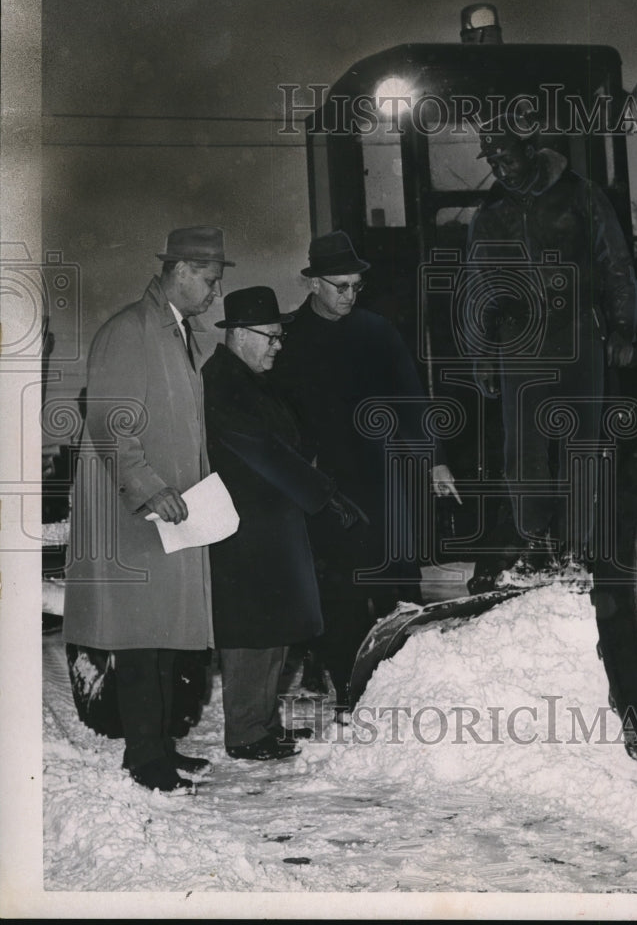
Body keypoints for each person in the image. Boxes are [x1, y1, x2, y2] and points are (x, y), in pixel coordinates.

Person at [64, 225, 232, 793]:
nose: (214, 293)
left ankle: (160, 747)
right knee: (140, 639)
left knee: (163, 638)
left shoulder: (178, 333)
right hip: (137, 513)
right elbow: (111, 422)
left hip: (172, 511)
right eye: (208, 280)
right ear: (180, 270)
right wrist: (147, 486)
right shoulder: (130, 330)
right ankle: (144, 759)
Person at [272, 231, 460, 710]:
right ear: (311, 282)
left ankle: (406, 690)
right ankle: (349, 693)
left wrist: (436, 461)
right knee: (340, 591)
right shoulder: (289, 338)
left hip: (384, 478)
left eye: (356, 286)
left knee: (399, 584)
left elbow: (413, 398)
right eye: (339, 286)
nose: (349, 296)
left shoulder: (377, 331)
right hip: (324, 485)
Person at [464, 108, 637, 590]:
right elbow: (478, 288)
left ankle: (581, 552)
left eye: (504, 152)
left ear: (527, 147)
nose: (498, 163)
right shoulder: (491, 214)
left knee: (584, 442)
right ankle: (536, 545)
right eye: (490, 156)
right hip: (520, 341)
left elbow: (616, 262)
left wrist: (623, 327)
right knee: (524, 449)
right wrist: (483, 354)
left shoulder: (580, 194)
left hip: (579, 331)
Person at [202, 286, 364, 759]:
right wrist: (324, 494)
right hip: (245, 529)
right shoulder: (222, 381)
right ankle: (246, 732)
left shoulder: (248, 378)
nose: (278, 345)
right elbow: (265, 451)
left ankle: (262, 723)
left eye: (279, 336)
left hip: (270, 523)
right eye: (270, 336)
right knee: (251, 631)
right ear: (238, 334)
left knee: (273, 628)